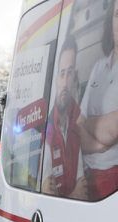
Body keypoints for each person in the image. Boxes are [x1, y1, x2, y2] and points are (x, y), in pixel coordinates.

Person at [77, 0, 118, 200]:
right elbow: (78, 123)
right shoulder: (99, 67)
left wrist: (89, 124)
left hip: (112, 178)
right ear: (111, 20)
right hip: (86, 174)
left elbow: (113, 129)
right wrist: (101, 142)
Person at [42, 37, 88, 198]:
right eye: (61, 74)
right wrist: (73, 196)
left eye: (69, 73)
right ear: (54, 79)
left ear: (75, 78)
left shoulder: (79, 120)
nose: (65, 83)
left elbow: (83, 188)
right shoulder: (44, 129)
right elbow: (46, 194)